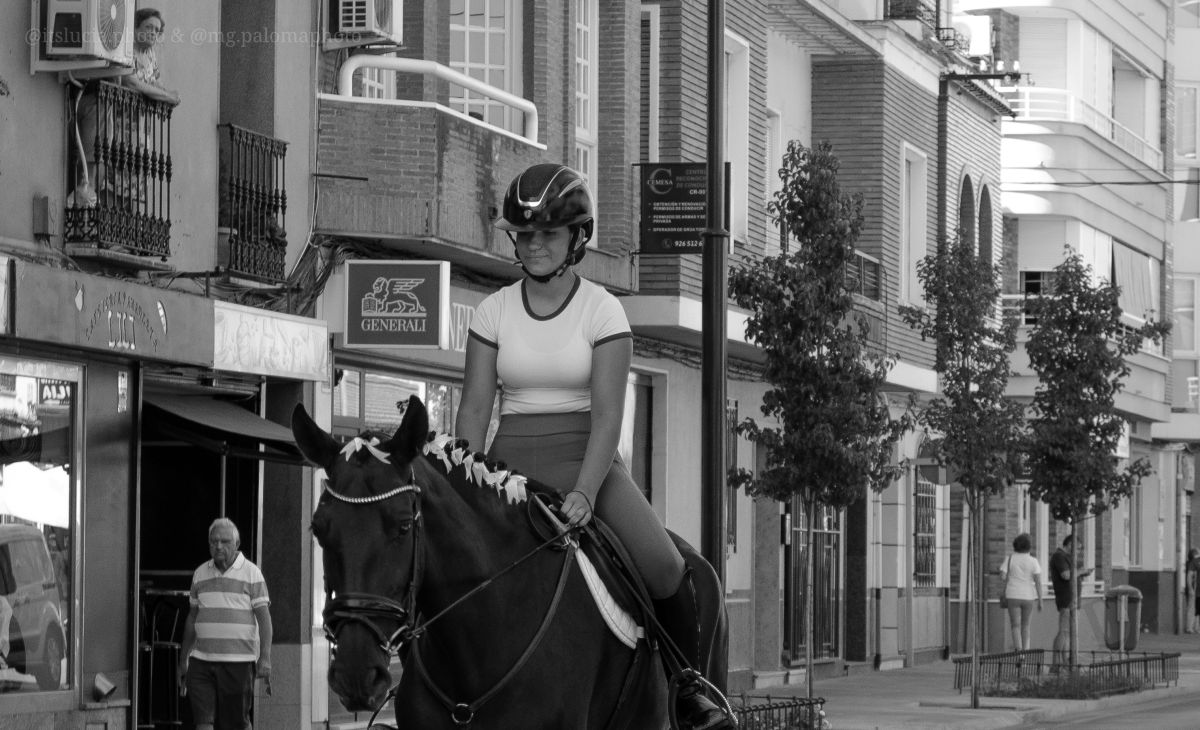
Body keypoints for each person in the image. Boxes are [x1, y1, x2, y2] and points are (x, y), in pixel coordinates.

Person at [455, 163, 734, 730]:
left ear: (576, 239)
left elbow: (609, 415)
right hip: (509, 469)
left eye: (547, 235)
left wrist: (584, 492)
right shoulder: (492, 311)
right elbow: (475, 411)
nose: (533, 245)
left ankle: (689, 692)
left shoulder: (603, 309)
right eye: (524, 234)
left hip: (591, 465)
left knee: (671, 571)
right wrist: (465, 488)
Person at [72, 8, 180, 207]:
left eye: (157, 30)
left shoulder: (150, 55)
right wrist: (166, 96)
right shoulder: (126, 48)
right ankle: (98, 214)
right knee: (111, 170)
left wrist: (166, 94)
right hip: (119, 119)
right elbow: (129, 82)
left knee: (135, 172)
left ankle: (120, 220)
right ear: (136, 27)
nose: (153, 33)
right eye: (148, 27)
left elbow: (155, 83)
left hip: (139, 128)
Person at [179, 518, 272, 730]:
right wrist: (183, 659)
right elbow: (192, 617)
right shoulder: (200, 573)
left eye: (224, 541)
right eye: (213, 541)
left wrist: (265, 657)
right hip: (201, 661)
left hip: (238, 662)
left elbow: (265, 619)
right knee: (202, 722)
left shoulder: (251, 573)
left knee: (237, 723)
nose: (218, 546)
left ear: (236, 544)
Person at [1049, 534, 1092, 668]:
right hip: (1066, 598)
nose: (1079, 551)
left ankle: (1064, 661)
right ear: (1069, 545)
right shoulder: (1059, 556)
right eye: (1078, 548)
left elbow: (1072, 575)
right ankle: (1055, 663)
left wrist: (1082, 573)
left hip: (1072, 599)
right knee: (1064, 631)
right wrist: (1080, 571)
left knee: (1067, 633)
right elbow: (1066, 575)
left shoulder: (1067, 557)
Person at [1000, 532, 1042, 651]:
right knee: (1026, 626)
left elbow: (1003, 576)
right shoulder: (1033, 561)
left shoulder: (1010, 558)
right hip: (1028, 596)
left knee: (1015, 625)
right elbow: (1038, 582)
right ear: (1029, 546)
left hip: (1013, 594)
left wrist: (1011, 576)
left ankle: (1019, 652)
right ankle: (1026, 651)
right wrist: (1040, 600)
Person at [1186, 547, 1200, 633]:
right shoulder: (1194, 562)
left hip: (1196, 590)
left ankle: (1195, 628)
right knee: (1193, 608)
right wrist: (1190, 588)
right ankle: (1190, 628)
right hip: (1195, 590)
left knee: (1194, 608)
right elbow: (1190, 576)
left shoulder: (1192, 563)